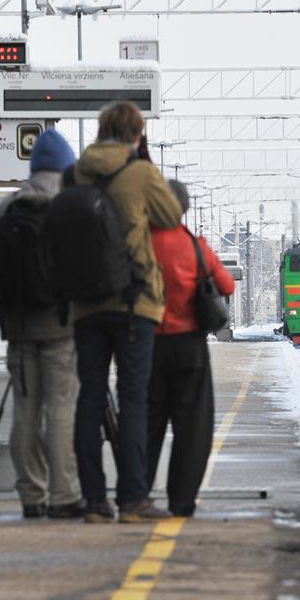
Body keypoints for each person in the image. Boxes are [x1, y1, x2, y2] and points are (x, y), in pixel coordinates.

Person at [68, 101, 183, 523]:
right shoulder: (139, 172)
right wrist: (145, 163)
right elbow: (171, 214)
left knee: (90, 397)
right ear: (137, 134)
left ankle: (94, 501)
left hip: (85, 303)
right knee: (134, 398)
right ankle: (133, 499)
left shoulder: (75, 172)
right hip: (134, 300)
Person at [0, 129, 83, 519]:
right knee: (60, 410)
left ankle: (30, 493)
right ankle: (64, 495)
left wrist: (7, 318)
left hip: (20, 328)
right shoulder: (68, 208)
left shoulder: (7, 209)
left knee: (25, 410)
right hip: (62, 328)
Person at [146, 181, 235, 517]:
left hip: (149, 344)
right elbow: (226, 284)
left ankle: (138, 493)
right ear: (183, 209)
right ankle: (181, 501)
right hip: (190, 346)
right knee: (192, 425)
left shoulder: (141, 243)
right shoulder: (195, 247)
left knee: (147, 422)